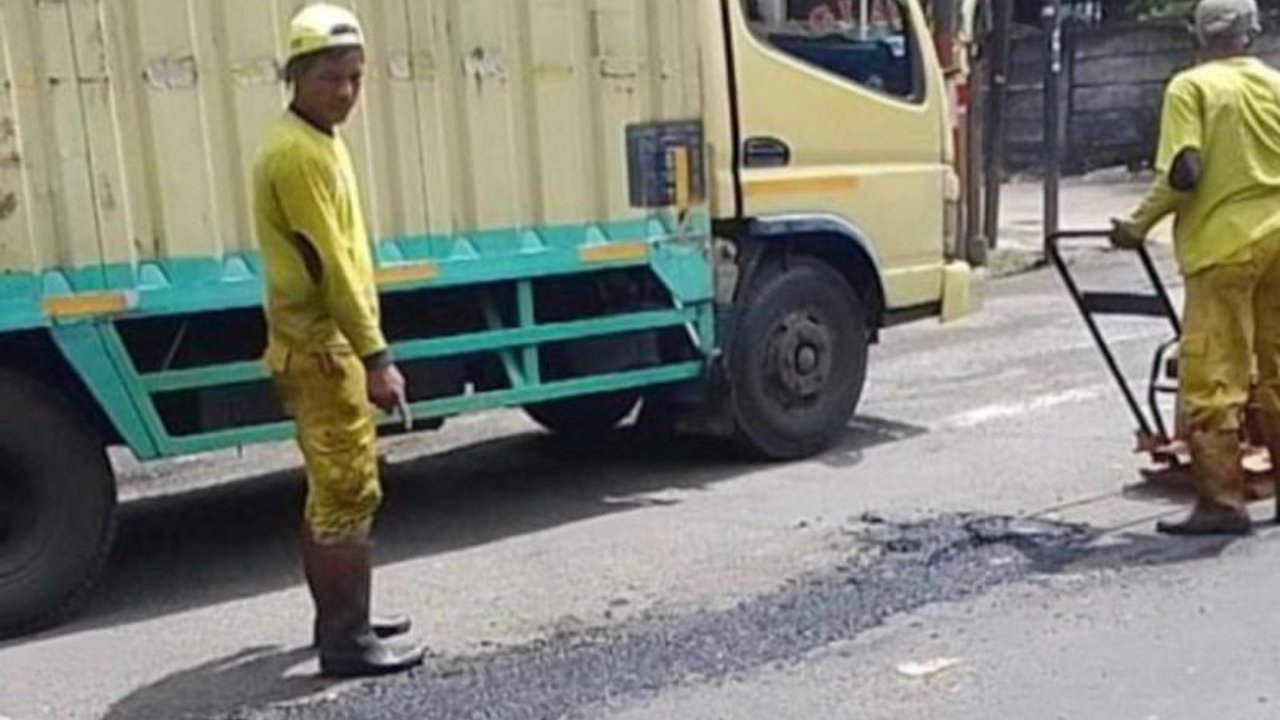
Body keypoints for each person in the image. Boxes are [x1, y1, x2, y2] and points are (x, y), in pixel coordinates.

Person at [253, 3, 425, 676]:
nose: (346, 91)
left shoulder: (314, 138)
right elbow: (332, 266)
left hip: (320, 345)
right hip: (324, 352)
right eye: (331, 77)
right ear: (295, 75)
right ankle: (347, 641)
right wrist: (377, 357)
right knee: (349, 493)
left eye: (355, 76)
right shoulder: (298, 155)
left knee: (330, 492)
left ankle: (342, 617)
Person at [1111, 0, 1280, 536]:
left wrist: (1136, 226)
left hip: (1224, 248)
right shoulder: (1276, 85)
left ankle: (1222, 504)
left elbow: (1184, 171)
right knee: (1278, 368)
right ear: (1252, 33)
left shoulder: (1192, 87)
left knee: (1213, 376)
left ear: (1198, 33)